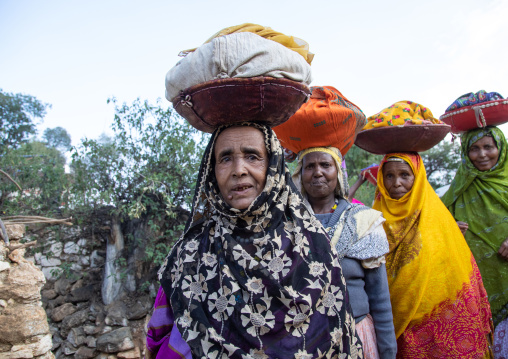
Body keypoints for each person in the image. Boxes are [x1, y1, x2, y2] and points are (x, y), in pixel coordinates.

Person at [146, 123, 363, 358]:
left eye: (253, 156)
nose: (239, 169)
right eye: (226, 158)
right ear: (212, 170)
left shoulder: (313, 245)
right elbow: (159, 338)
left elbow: (338, 337)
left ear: (273, 166)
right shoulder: (189, 255)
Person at [374, 152, 493, 358]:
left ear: (418, 178)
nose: (396, 183)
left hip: (443, 315)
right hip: (395, 321)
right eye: (389, 176)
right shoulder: (373, 219)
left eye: (405, 175)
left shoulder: (438, 218)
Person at [292, 146, 397, 359]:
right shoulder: (285, 223)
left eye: (325, 165)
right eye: (309, 166)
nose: (318, 172)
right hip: (301, 340)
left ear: (338, 173)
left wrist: (388, 351)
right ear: (300, 175)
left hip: (356, 334)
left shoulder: (363, 221)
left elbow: (380, 297)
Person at [442, 126, 508, 358]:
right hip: (476, 287)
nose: (482, 155)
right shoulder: (458, 188)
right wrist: (450, 230)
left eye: (488, 147)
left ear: (501, 148)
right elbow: (436, 231)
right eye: (474, 149)